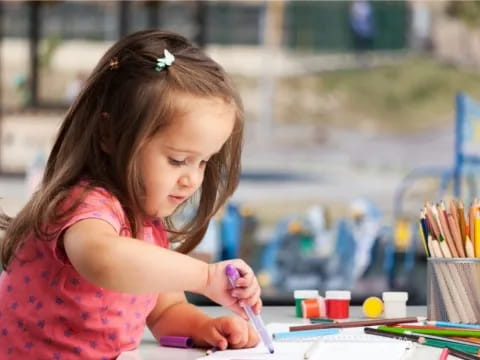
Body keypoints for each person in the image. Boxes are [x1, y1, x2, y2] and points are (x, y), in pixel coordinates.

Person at [0, 30, 261, 359]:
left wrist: (204, 327)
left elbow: (165, 313)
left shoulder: (147, 226)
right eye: (178, 160)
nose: (192, 178)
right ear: (110, 134)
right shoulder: (83, 205)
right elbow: (102, 258)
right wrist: (205, 277)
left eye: (204, 161)